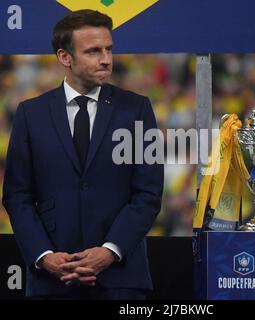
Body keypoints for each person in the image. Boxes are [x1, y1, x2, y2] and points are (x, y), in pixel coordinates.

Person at [2, 9, 164, 300]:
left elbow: (148, 193)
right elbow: (17, 195)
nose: (106, 59)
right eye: (93, 51)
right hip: (51, 280)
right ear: (65, 57)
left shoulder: (137, 109)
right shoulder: (30, 114)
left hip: (121, 279)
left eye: (108, 49)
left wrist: (109, 251)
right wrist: (45, 256)